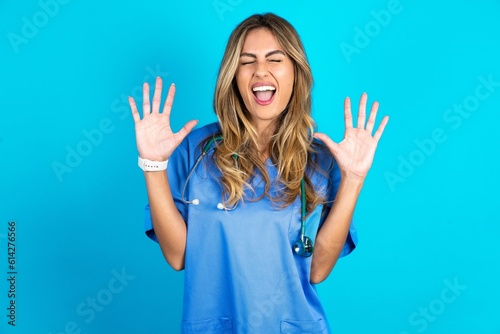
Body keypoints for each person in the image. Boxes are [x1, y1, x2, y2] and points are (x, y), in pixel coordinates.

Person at [129, 13, 388, 334]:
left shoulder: (321, 160)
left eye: (275, 59)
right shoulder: (194, 152)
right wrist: (153, 165)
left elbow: (318, 269)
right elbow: (178, 256)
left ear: (296, 72)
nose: (260, 71)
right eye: (247, 61)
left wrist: (354, 179)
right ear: (232, 75)